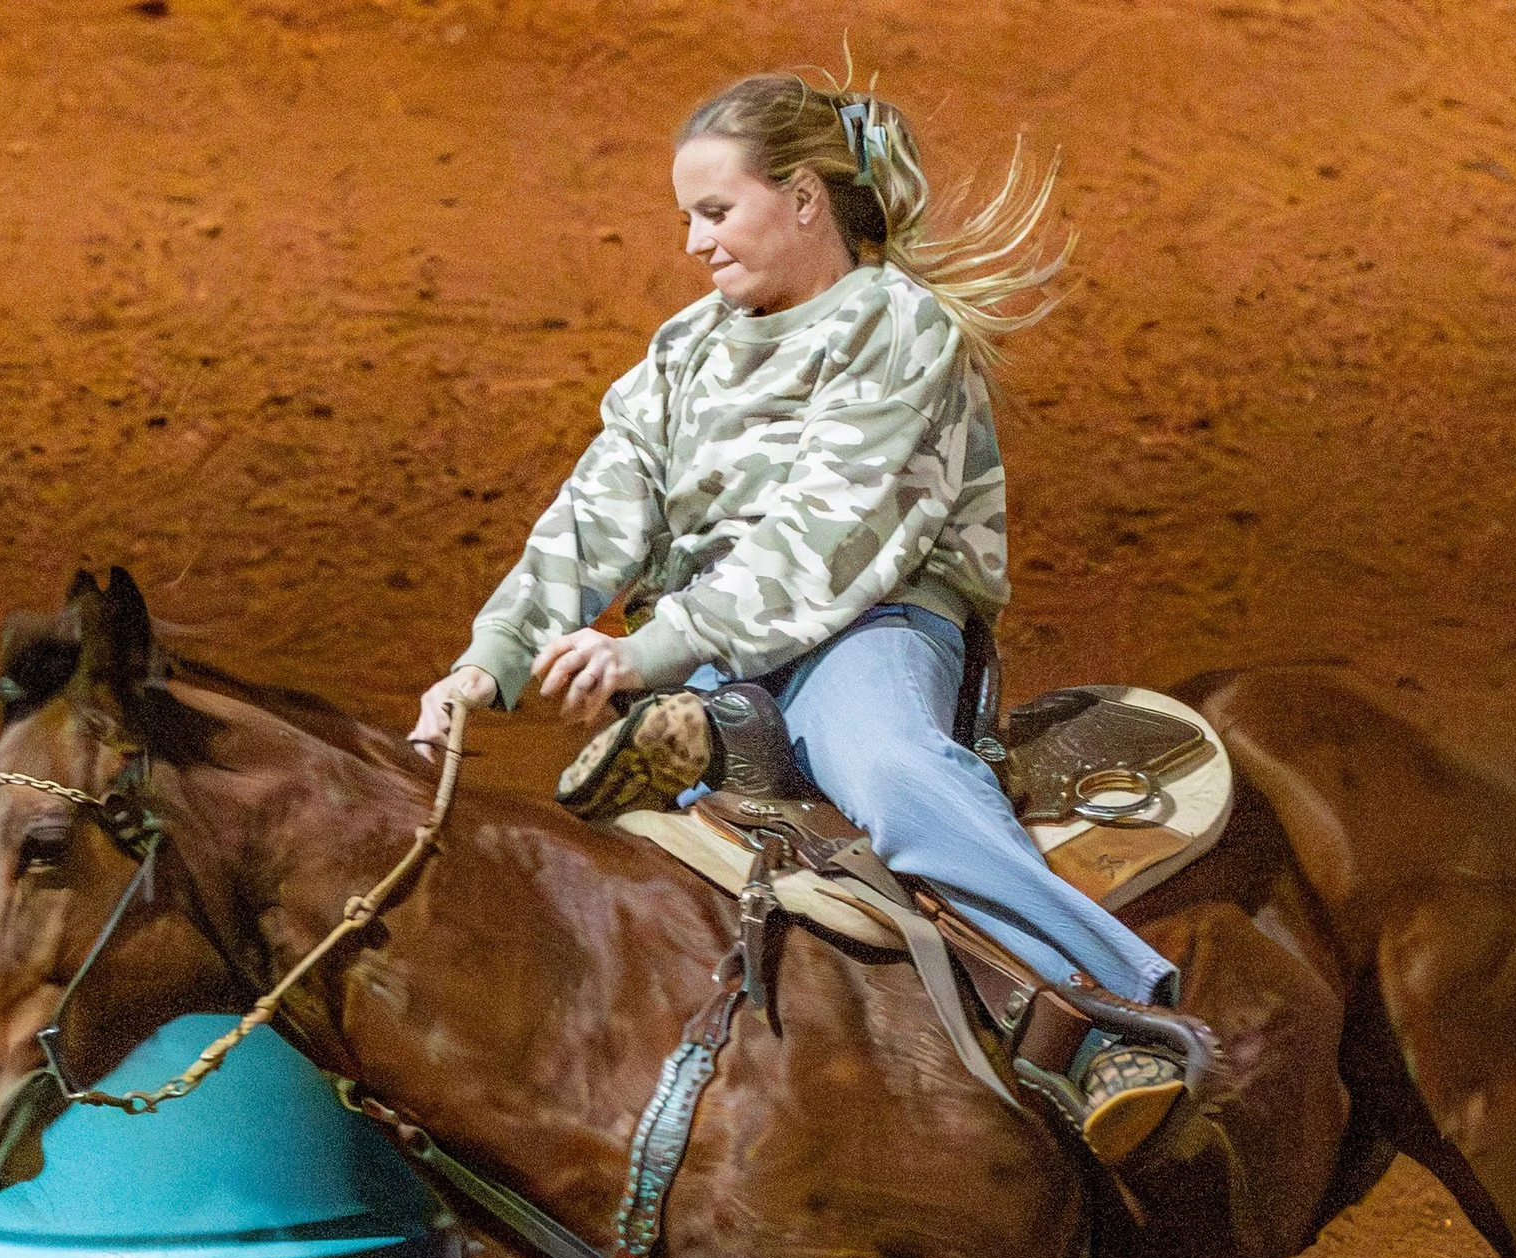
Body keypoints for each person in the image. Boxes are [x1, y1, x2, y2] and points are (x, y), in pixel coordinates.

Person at [407, 70, 1206, 1166]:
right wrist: (482, 668)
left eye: (713, 211)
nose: (693, 242)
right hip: (704, 649)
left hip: (868, 626)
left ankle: (1110, 1014)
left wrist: (646, 649)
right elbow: (594, 515)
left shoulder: (896, 328)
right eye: (686, 216)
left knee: (889, 773)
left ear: (802, 200)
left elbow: (823, 546)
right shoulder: (684, 349)